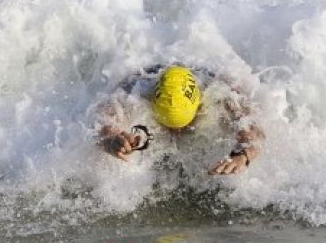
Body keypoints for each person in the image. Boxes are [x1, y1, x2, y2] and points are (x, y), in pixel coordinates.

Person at [94, 64, 264, 176]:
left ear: (198, 106)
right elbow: (103, 121)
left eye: (185, 125)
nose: (176, 133)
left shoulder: (222, 93)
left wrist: (242, 155)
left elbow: (255, 131)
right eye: (166, 124)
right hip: (153, 73)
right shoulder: (135, 90)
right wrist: (111, 139)